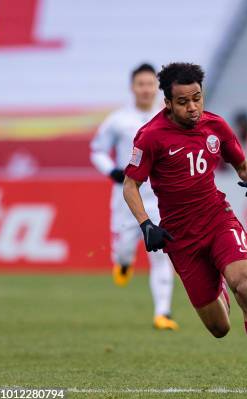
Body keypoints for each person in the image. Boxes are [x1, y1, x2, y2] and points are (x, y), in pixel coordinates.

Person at [122, 62, 247, 392]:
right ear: (167, 102)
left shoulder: (215, 126)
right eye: (183, 101)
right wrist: (146, 225)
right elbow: (130, 185)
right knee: (219, 328)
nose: (193, 107)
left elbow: (241, 163)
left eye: (197, 98)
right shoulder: (151, 137)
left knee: (243, 283)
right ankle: (217, 287)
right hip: (180, 239)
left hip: (217, 219)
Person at [90, 63, 177, 331]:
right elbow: (97, 150)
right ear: (132, 87)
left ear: (158, 87)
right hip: (127, 198)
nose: (146, 89)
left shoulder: (168, 116)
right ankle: (124, 262)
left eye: (151, 84)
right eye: (141, 84)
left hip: (159, 197)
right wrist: (112, 171)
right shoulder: (118, 119)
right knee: (125, 250)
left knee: (163, 252)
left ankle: (163, 312)